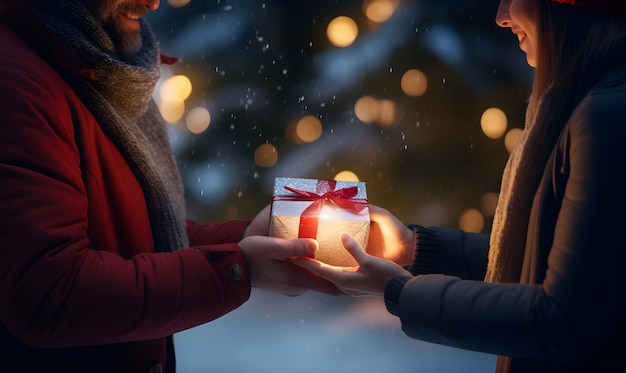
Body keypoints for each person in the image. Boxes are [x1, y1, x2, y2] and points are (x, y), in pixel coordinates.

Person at [0, 0, 336, 372]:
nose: (154, 2)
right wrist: (240, 269)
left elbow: (136, 233)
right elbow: (49, 293)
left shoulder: (101, 64)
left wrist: (242, 240)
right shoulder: (18, 79)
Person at [295, 0, 626, 372]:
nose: (502, 15)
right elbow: (549, 263)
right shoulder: (594, 106)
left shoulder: (607, 118)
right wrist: (414, 248)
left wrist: (400, 292)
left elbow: (564, 322)